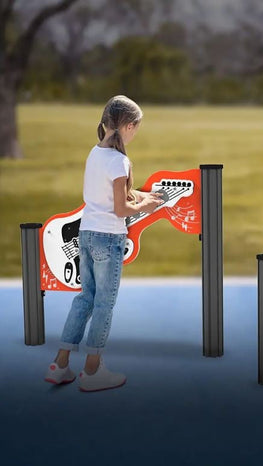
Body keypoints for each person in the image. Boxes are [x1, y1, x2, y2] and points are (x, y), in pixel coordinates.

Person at [44, 95, 163, 392]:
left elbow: (113, 195)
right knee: (104, 305)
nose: (136, 132)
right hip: (109, 239)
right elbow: (121, 210)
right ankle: (93, 370)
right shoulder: (120, 161)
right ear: (128, 126)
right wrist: (145, 207)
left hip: (87, 234)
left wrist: (142, 197)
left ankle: (60, 365)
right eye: (136, 127)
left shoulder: (96, 153)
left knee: (85, 299)